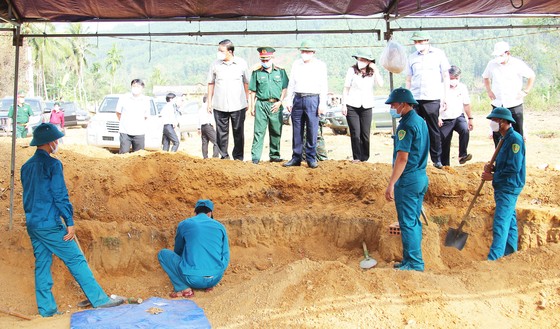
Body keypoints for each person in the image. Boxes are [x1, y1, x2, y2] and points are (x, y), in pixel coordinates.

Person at [20, 123, 123, 317]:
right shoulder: (53, 164)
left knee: (42, 264)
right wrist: (69, 221)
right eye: (56, 140)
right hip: (49, 223)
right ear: (50, 143)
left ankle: (47, 310)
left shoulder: (26, 167)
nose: (58, 143)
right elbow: (59, 195)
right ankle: (100, 300)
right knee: (76, 259)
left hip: (33, 224)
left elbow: (29, 196)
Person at [384, 88, 429, 272]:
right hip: (420, 176)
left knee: (407, 222)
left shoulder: (406, 126)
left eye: (394, 104)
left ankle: (414, 263)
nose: (392, 107)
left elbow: (402, 158)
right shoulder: (420, 121)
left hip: (408, 179)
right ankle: (410, 259)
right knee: (413, 220)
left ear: (403, 104)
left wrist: (391, 183)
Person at [158, 199, 230, 298]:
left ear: (195, 213)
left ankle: (184, 288)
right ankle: (208, 285)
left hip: (193, 278)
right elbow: (225, 254)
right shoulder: (220, 227)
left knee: (163, 254)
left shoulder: (185, 224)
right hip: (216, 278)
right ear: (210, 213)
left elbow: (178, 250)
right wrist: (218, 270)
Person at [482, 107, 526, 261]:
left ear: (502, 121)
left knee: (501, 222)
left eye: (494, 120)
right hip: (503, 185)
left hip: (509, 186)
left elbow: (514, 168)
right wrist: (493, 167)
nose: (492, 123)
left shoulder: (515, 140)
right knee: (510, 221)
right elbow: (506, 163)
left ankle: (494, 259)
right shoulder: (503, 138)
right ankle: (510, 255)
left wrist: (493, 176)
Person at [406, 31, 450, 169]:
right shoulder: (412, 57)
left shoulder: (438, 54)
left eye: (419, 41)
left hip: (432, 97)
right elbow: (408, 78)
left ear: (426, 40)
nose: (417, 44)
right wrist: (408, 97)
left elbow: (446, 76)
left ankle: (436, 159)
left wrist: (445, 97)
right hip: (415, 98)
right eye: (415, 42)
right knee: (416, 129)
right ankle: (416, 159)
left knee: (433, 129)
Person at [284, 40, 328, 169]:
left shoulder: (320, 65)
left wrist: (322, 103)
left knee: (312, 129)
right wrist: (289, 100)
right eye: (303, 51)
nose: (305, 54)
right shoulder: (296, 64)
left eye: (308, 51)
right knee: (296, 129)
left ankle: (311, 158)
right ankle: (296, 157)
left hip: (312, 99)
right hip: (298, 98)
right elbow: (291, 83)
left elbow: (323, 85)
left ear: (313, 53)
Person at [482, 41, 536, 147]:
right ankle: (498, 158)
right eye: (497, 55)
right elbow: (485, 76)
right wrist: (489, 90)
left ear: (508, 53)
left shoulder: (517, 64)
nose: (499, 58)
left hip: (514, 102)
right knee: (496, 130)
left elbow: (531, 75)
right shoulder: (492, 64)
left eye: (501, 55)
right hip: (498, 103)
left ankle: (518, 157)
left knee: (518, 132)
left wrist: (526, 90)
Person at [207, 39, 250, 160]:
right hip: (219, 105)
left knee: (238, 132)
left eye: (221, 50)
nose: (219, 53)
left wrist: (247, 99)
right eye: (218, 50)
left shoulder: (241, 63)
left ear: (230, 51)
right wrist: (209, 102)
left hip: (238, 105)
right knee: (221, 133)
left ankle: (238, 157)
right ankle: (224, 156)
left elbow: (247, 82)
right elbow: (210, 83)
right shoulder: (215, 64)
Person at [248, 46, 289, 164]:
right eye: (263, 60)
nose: (265, 62)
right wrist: (252, 107)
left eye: (267, 60)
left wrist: (280, 101)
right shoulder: (256, 72)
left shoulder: (280, 71)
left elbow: (284, 88)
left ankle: (275, 155)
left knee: (276, 130)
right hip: (261, 104)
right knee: (259, 131)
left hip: (275, 104)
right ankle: (255, 157)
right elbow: (253, 91)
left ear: (272, 58)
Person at [341, 50, 384, 163]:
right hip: (352, 104)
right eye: (359, 59)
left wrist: (376, 69)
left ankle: (365, 157)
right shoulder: (352, 70)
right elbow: (346, 88)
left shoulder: (372, 72)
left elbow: (381, 84)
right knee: (355, 133)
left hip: (367, 105)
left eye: (364, 60)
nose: (361, 62)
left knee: (365, 133)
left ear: (369, 61)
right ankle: (357, 157)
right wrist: (343, 104)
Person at [440, 65, 473, 166]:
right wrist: (438, 117)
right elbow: (435, 104)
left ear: (459, 77)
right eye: (451, 78)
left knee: (465, 130)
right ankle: (445, 166)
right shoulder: (441, 87)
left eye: (456, 78)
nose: (453, 81)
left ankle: (462, 155)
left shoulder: (462, 88)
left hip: (458, 116)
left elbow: (466, 104)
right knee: (445, 142)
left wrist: (470, 118)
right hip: (445, 118)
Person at [116, 78, 151, 153]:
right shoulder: (124, 98)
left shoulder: (146, 100)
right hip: (125, 132)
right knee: (123, 155)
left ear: (142, 88)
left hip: (139, 132)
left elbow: (146, 116)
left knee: (139, 157)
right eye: (134, 86)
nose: (135, 88)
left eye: (138, 87)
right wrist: (124, 122)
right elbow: (118, 113)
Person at [198, 94, 222, 159]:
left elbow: (199, 119)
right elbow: (211, 117)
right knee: (216, 141)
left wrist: (199, 128)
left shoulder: (200, 109)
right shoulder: (208, 107)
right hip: (208, 126)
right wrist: (213, 125)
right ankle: (215, 156)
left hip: (203, 127)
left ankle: (205, 157)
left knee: (205, 142)